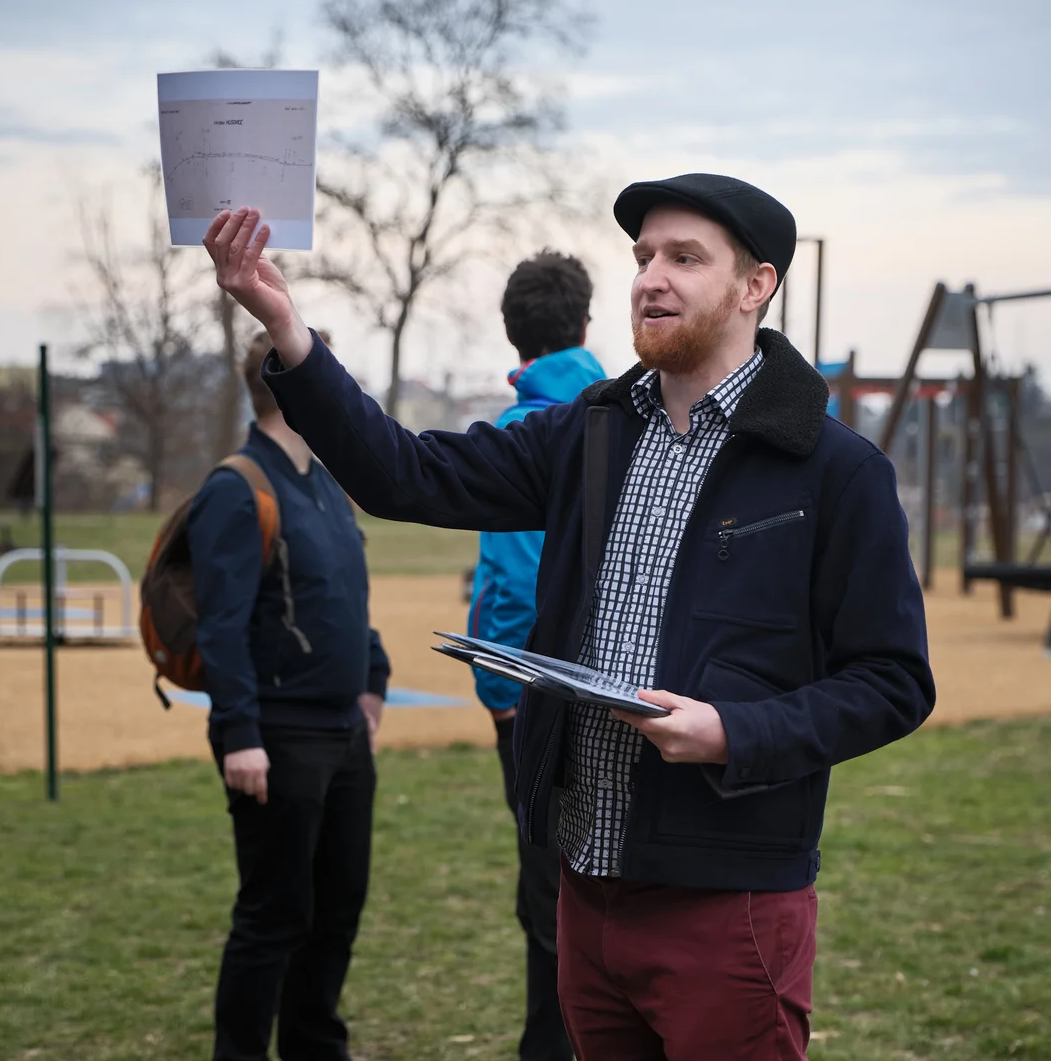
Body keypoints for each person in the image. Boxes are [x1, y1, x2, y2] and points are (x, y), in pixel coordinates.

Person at [202, 174, 936, 1061]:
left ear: (756, 286)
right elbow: (405, 474)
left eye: (684, 258)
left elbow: (893, 681)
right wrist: (288, 332)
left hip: (727, 900)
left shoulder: (837, 471)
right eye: (642, 258)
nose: (651, 278)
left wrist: (733, 732)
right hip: (583, 886)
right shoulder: (589, 431)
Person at [187, 331, 390, 1061]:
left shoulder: (327, 485)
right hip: (275, 737)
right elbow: (222, 626)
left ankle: (314, 1047)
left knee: (337, 912)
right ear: (296, 387)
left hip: (343, 734)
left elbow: (346, 597)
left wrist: (373, 682)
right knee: (274, 917)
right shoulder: (235, 489)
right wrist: (239, 733)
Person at [468, 251, 605, 1061]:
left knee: (548, 896)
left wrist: (503, 693)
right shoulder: (624, 413)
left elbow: (515, 580)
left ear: (512, 333)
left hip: (539, 699)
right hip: (617, 688)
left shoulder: (526, 432)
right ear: (586, 325)